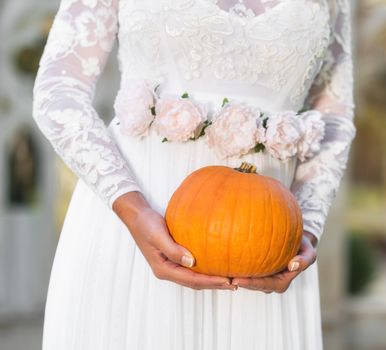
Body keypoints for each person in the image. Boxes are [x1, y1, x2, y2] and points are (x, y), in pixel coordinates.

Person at [32, 0, 356, 348]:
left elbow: (333, 117)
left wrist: (306, 225)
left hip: (269, 250)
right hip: (135, 227)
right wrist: (132, 207)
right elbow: (59, 90)